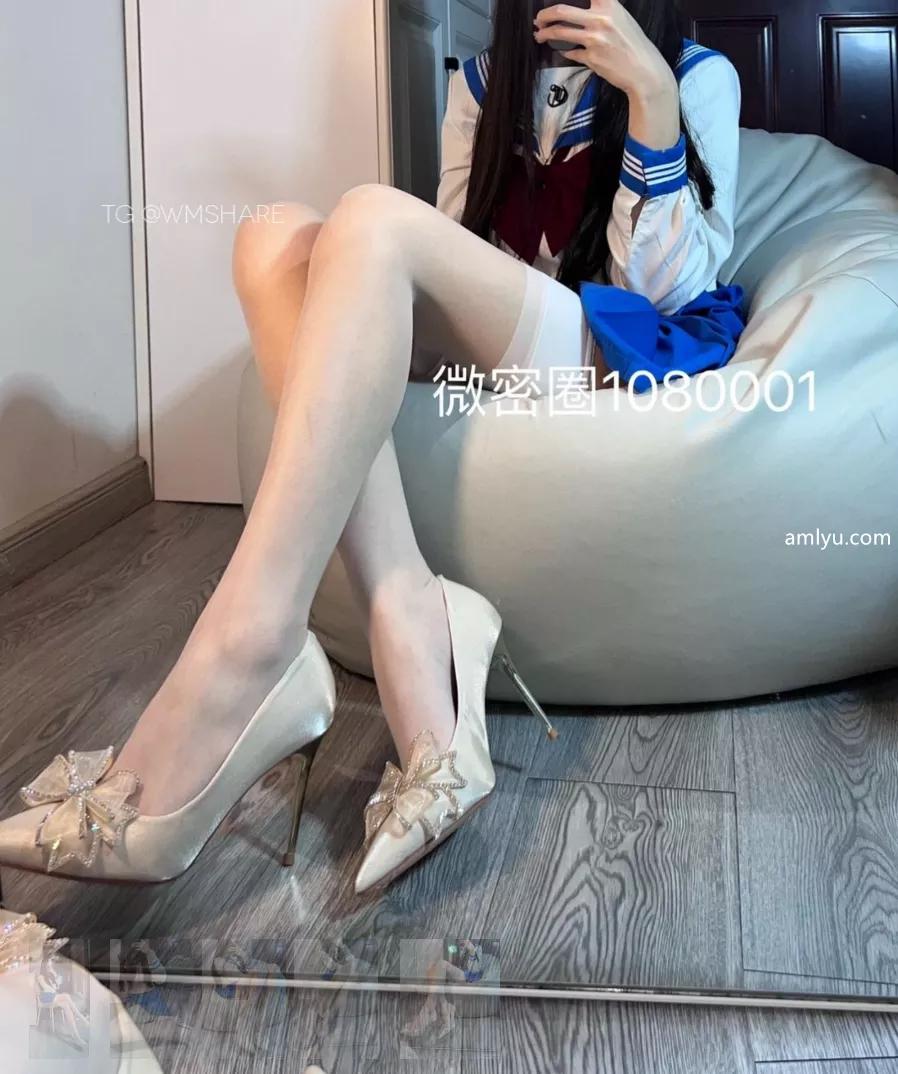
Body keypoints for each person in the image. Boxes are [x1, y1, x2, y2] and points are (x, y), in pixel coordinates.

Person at [0, 0, 740, 894]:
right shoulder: (482, 84)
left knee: (371, 217)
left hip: (610, 347)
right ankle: (409, 619)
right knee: (271, 233)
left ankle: (250, 646)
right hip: (497, 342)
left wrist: (651, 94)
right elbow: (452, 255)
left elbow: (667, 291)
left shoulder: (698, 77)